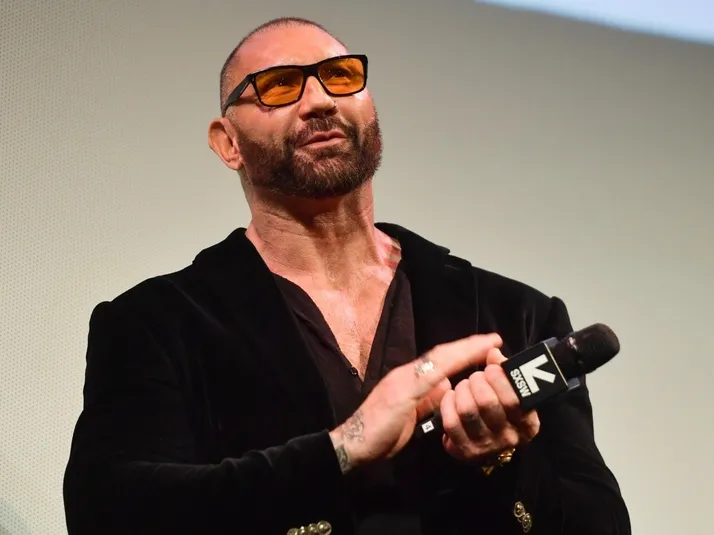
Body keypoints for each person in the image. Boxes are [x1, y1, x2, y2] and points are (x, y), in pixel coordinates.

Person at [63, 16, 630, 535]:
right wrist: (343, 449)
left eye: (339, 76)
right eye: (279, 86)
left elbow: (601, 525)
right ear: (227, 143)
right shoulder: (154, 323)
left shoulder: (517, 314)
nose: (319, 101)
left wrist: (505, 461)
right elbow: (108, 514)